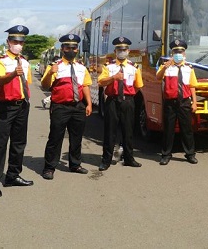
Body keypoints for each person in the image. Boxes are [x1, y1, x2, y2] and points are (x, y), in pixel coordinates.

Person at [0, 25, 34, 198]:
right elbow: (0, 80)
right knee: (0, 144)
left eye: (21, 41)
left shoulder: (25, 62)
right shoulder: (0, 60)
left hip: (22, 106)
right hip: (5, 107)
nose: (18, 44)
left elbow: (27, 84)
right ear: (8, 42)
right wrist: (13, 74)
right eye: (15, 41)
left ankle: (13, 175)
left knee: (19, 143)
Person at [40, 34, 93, 180]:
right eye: (68, 47)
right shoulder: (55, 66)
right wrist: (50, 73)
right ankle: (49, 167)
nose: (71, 50)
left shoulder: (81, 68)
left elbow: (86, 86)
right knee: (55, 137)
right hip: (60, 107)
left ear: (77, 49)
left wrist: (88, 103)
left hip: (78, 107)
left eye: (74, 47)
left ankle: (75, 164)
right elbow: (45, 85)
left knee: (76, 137)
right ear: (62, 49)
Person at [98, 36, 143, 170]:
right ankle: (106, 160)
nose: (122, 51)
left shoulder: (134, 67)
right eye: (119, 49)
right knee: (110, 131)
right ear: (115, 51)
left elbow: (138, 86)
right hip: (112, 101)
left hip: (127, 101)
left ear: (128, 51)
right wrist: (113, 78)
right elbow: (100, 82)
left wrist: (128, 96)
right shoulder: (108, 66)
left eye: (124, 49)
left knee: (128, 131)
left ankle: (129, 158)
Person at [156, 39, 199, 165]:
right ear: (172, 53)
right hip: (170, 102)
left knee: (187, 129)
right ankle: (165, 154)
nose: (178, 54)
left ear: (184, 54)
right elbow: (158, 77)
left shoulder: (189, 68)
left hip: (184, 102)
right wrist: (165, 67)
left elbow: (192, 86)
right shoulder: (166, 67)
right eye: (175, 51)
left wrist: (194, 102)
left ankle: (190, 154)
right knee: (168, 129)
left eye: (180, 51)